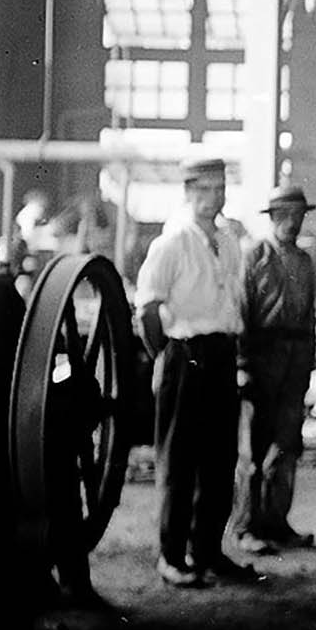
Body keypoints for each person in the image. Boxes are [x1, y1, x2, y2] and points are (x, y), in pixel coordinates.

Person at [133, 157, 265, 589]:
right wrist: (164, 357)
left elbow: (234, 307)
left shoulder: (228, 241)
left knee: (220, 459)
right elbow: (148, 310)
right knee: (180, 461)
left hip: (222, 354)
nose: (215, 197)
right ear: (188, 191)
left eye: (220, 188)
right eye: (205, 190)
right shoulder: (171, 243)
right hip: (184, 354)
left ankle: (207, 551)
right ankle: (172, 557)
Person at [233, 185, 316, 554]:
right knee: (254, 447)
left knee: (287, 444)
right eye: (285, 215)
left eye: (298, 216)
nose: (292, 223)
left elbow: (310, 317)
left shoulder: (303, 261)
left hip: (295, 360)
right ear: (272, 218)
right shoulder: (254, 256)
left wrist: (307, 366)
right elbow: (240, 312)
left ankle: (277, 522)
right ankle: (247, 527)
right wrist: (241, 365)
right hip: (262, 357)